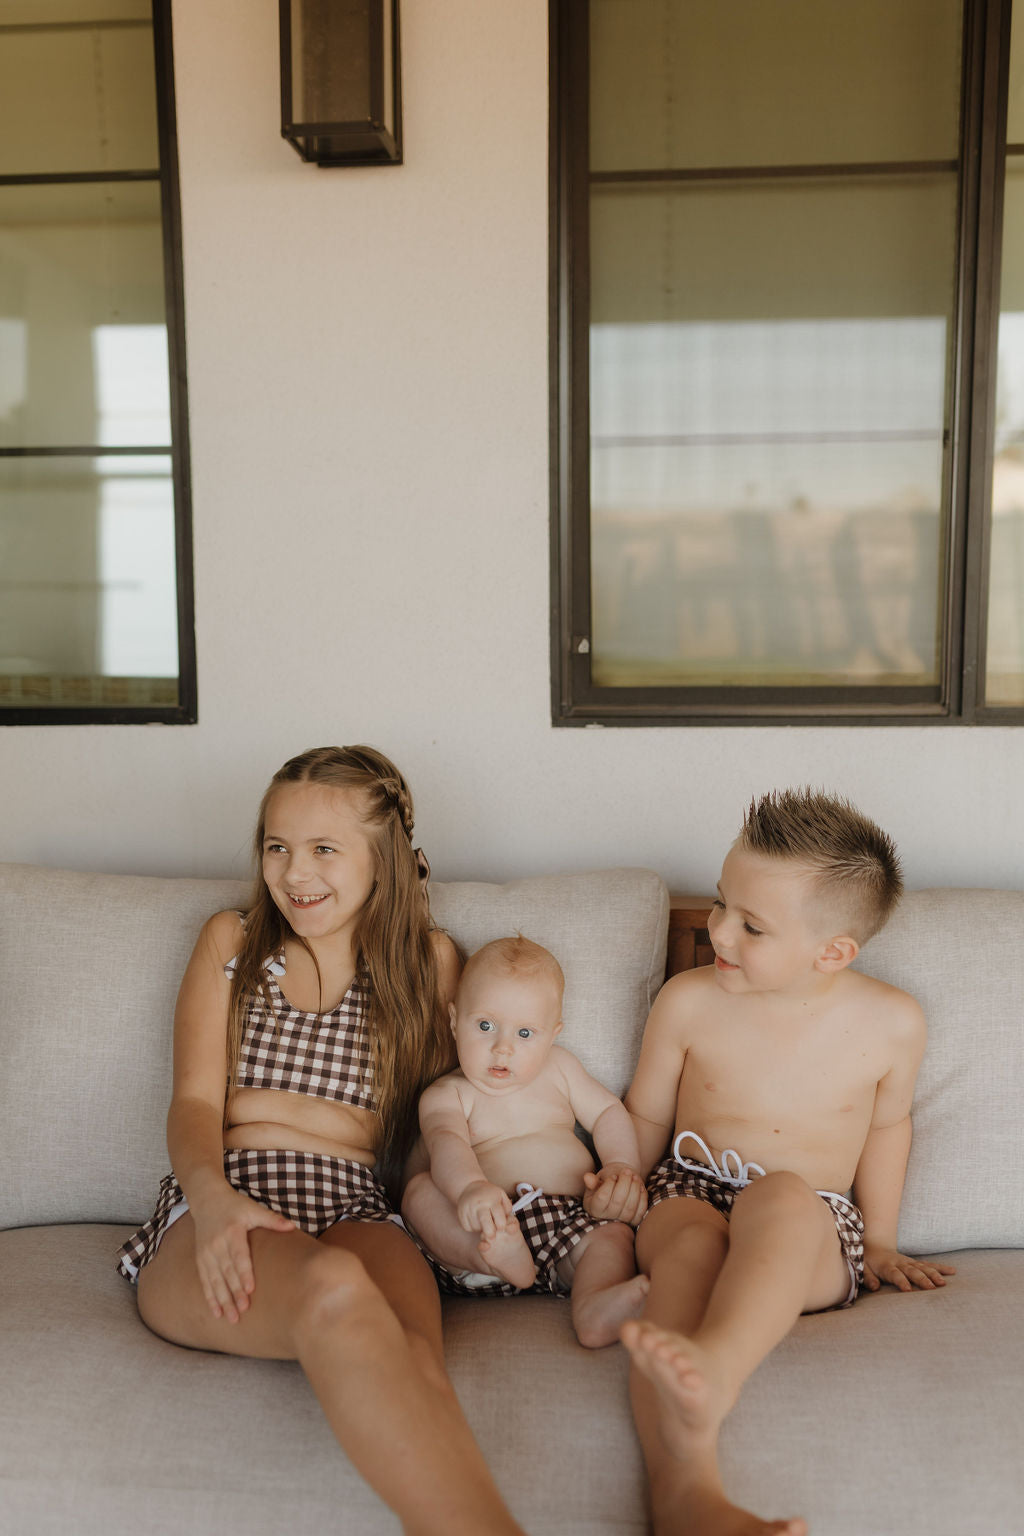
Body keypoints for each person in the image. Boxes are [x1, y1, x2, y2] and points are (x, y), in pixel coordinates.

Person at [116, 745, 528, 1536]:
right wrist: (214, 1206)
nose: (293, 872)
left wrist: (470, 1212)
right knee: (336, 1290)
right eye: (277, 846)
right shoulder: (231, 945)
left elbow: (436, 1124)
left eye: (324, 849)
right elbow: (194, 1105)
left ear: (386, 861)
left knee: (414, 1360)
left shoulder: (427, 965)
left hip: (355, 1202)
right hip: (228, 1190)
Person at [621, 788, 956, 1536]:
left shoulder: (891, 1023)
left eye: (752, 926)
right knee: (686, 1251)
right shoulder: (686, 1000)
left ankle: (715, 1368)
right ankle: (688, 1499)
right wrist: (619, 1196)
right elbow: (646, 1113)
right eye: (718, 905)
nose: (718, 934)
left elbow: (887, 1130)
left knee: (780, 1195)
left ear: (832, 951)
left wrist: (880, 1240)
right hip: (689, 1188)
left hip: (810, 1220)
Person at [401, 935, 649, 1348]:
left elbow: (607, 1113)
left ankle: (594, 1307)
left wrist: (621, 1167)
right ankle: (493, 1258)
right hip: (481, 1226)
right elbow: (448, 1145)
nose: (503, 1047)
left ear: (553, 1035)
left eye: (525, 1033)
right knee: (417, 1194)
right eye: (484, 1026)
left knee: (611, 1237)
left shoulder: (562, 1069)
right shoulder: (447, 1095)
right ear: (452, 1019)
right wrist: (471, 1190)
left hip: (568, 1222)